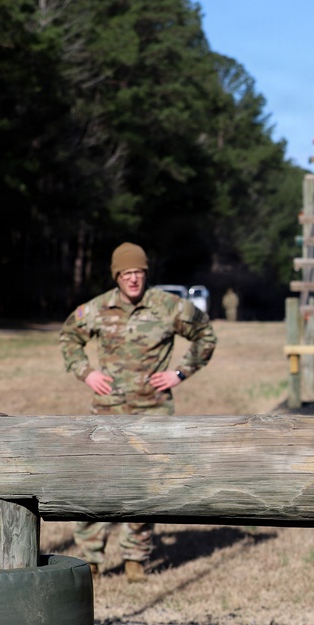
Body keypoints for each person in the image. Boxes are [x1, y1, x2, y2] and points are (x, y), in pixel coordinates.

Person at [59, 242, 217, 582]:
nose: (133, 279)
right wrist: (87, 372)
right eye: (126, 273)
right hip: (107, 412)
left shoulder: (168, 306)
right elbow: (69, 336)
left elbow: (205, 334)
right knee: (98, 483)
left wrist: (179, 373)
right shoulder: (98, 307)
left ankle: (135, 557)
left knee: (147, 485)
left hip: (153, 412)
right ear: (117, 276)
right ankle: (91, 558)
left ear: (146, 274)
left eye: (139, 272)